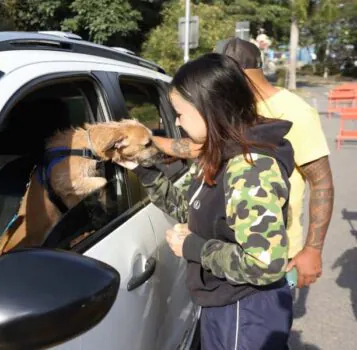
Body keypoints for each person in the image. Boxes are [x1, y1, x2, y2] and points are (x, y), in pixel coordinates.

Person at [118, 53, 295, 349]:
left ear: (209, 109)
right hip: (224, 300)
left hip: (245, 310)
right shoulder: (220, 154)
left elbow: (265, 264)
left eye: (180, 112)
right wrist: (142, 170)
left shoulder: (250, 168)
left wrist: (193, 247)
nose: (176, 121)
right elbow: (187, 206)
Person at [154, 38, 335, 289]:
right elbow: (195, 148)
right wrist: (146, 144)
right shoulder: (220, 113)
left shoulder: (295, 112)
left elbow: (321, 181)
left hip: (271, 246)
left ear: (232, 74)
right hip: (227, 246)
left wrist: (313, 248)